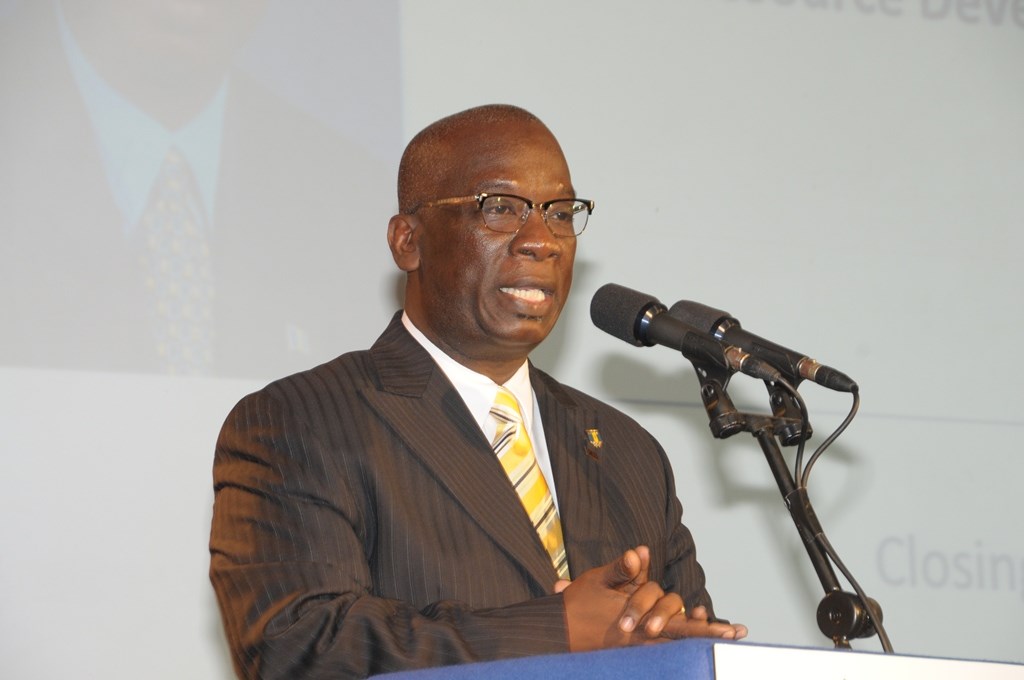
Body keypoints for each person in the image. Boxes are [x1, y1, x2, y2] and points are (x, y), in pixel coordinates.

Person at [209, 103, 746, 679]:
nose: (542, 241)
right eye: (501, 208)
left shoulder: (630, 453)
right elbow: (298, 647)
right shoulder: (299, 422)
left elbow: (692, 651)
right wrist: (557, 628)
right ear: (408, 241)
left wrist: (675, 642)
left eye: (561, 213)